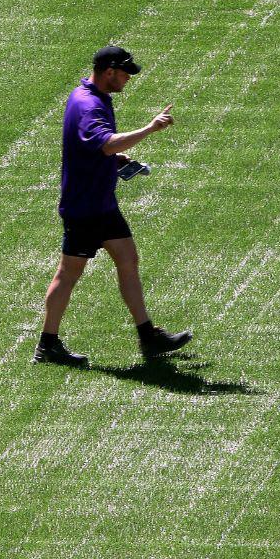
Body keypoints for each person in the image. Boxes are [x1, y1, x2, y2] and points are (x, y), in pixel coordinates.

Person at [34, 45, 193, 367]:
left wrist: (117, 159)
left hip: (101, 204)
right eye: (124, 73)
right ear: (109, 71)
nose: (127, 80)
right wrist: (149, 129)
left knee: (127, 259)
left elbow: (94, 147)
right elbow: (105, 143)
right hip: (85, 208)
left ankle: (148, 335)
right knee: (68, 273)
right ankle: (47, 345)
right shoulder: (89, 105)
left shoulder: (89, 96)